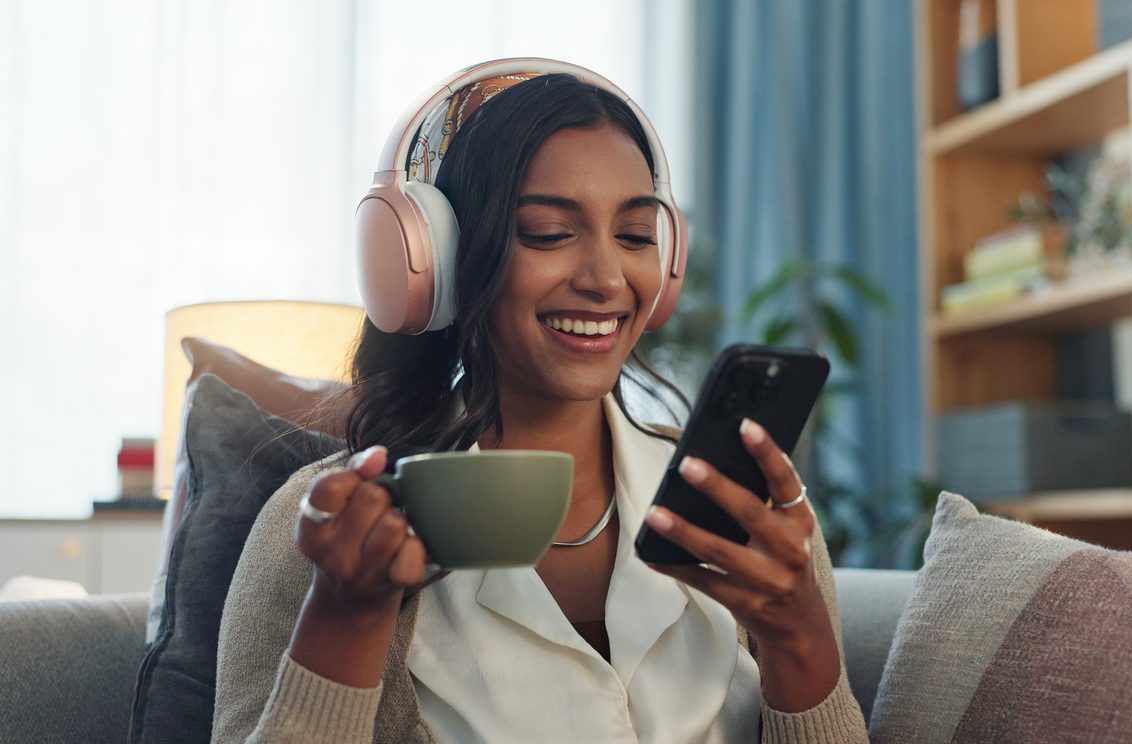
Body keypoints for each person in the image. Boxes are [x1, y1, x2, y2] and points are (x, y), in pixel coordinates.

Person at [212, 59, 868, 743]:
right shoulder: (323, 527)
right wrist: (344, 619)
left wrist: (801, 642)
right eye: (550, 233)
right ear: (442, 256)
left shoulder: (744, 505)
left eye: (637, 236)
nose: (607, 278)